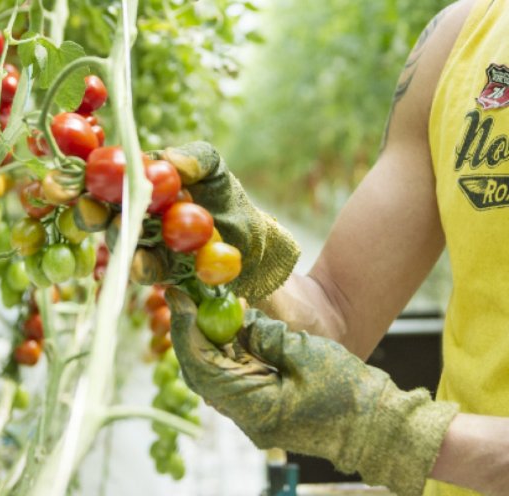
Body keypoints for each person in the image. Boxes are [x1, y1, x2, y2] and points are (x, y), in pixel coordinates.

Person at [154, 0, 509, 494]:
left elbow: (389, 429)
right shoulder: (461, 38)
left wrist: (393, 431)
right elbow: (338, 314)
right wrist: (241, 251)